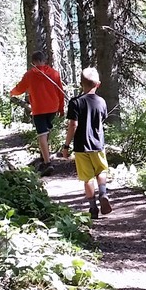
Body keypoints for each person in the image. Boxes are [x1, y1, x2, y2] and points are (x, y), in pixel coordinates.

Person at [60, 67, 112, 218]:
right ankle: (103, 194)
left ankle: (93, 208)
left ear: (81, 83)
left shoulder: (75, 102)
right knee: (101, 170)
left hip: (81, 147)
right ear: (98, 84)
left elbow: (73, 125)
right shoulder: (101, 102)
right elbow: (102, 119)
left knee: (87, 177)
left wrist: (66, 146)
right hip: (98, 145)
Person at [10, 51, 65, 175]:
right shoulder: (54, 73)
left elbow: (20, 88)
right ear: (44, 60)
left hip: (39, 109)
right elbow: (60, 91)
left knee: (42, 135)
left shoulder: (29, 75)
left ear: (33, 62)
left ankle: (47, 162)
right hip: (53, 108)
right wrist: (61, 108)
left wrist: (12, 92)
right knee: (47, 133)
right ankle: (44, 156)